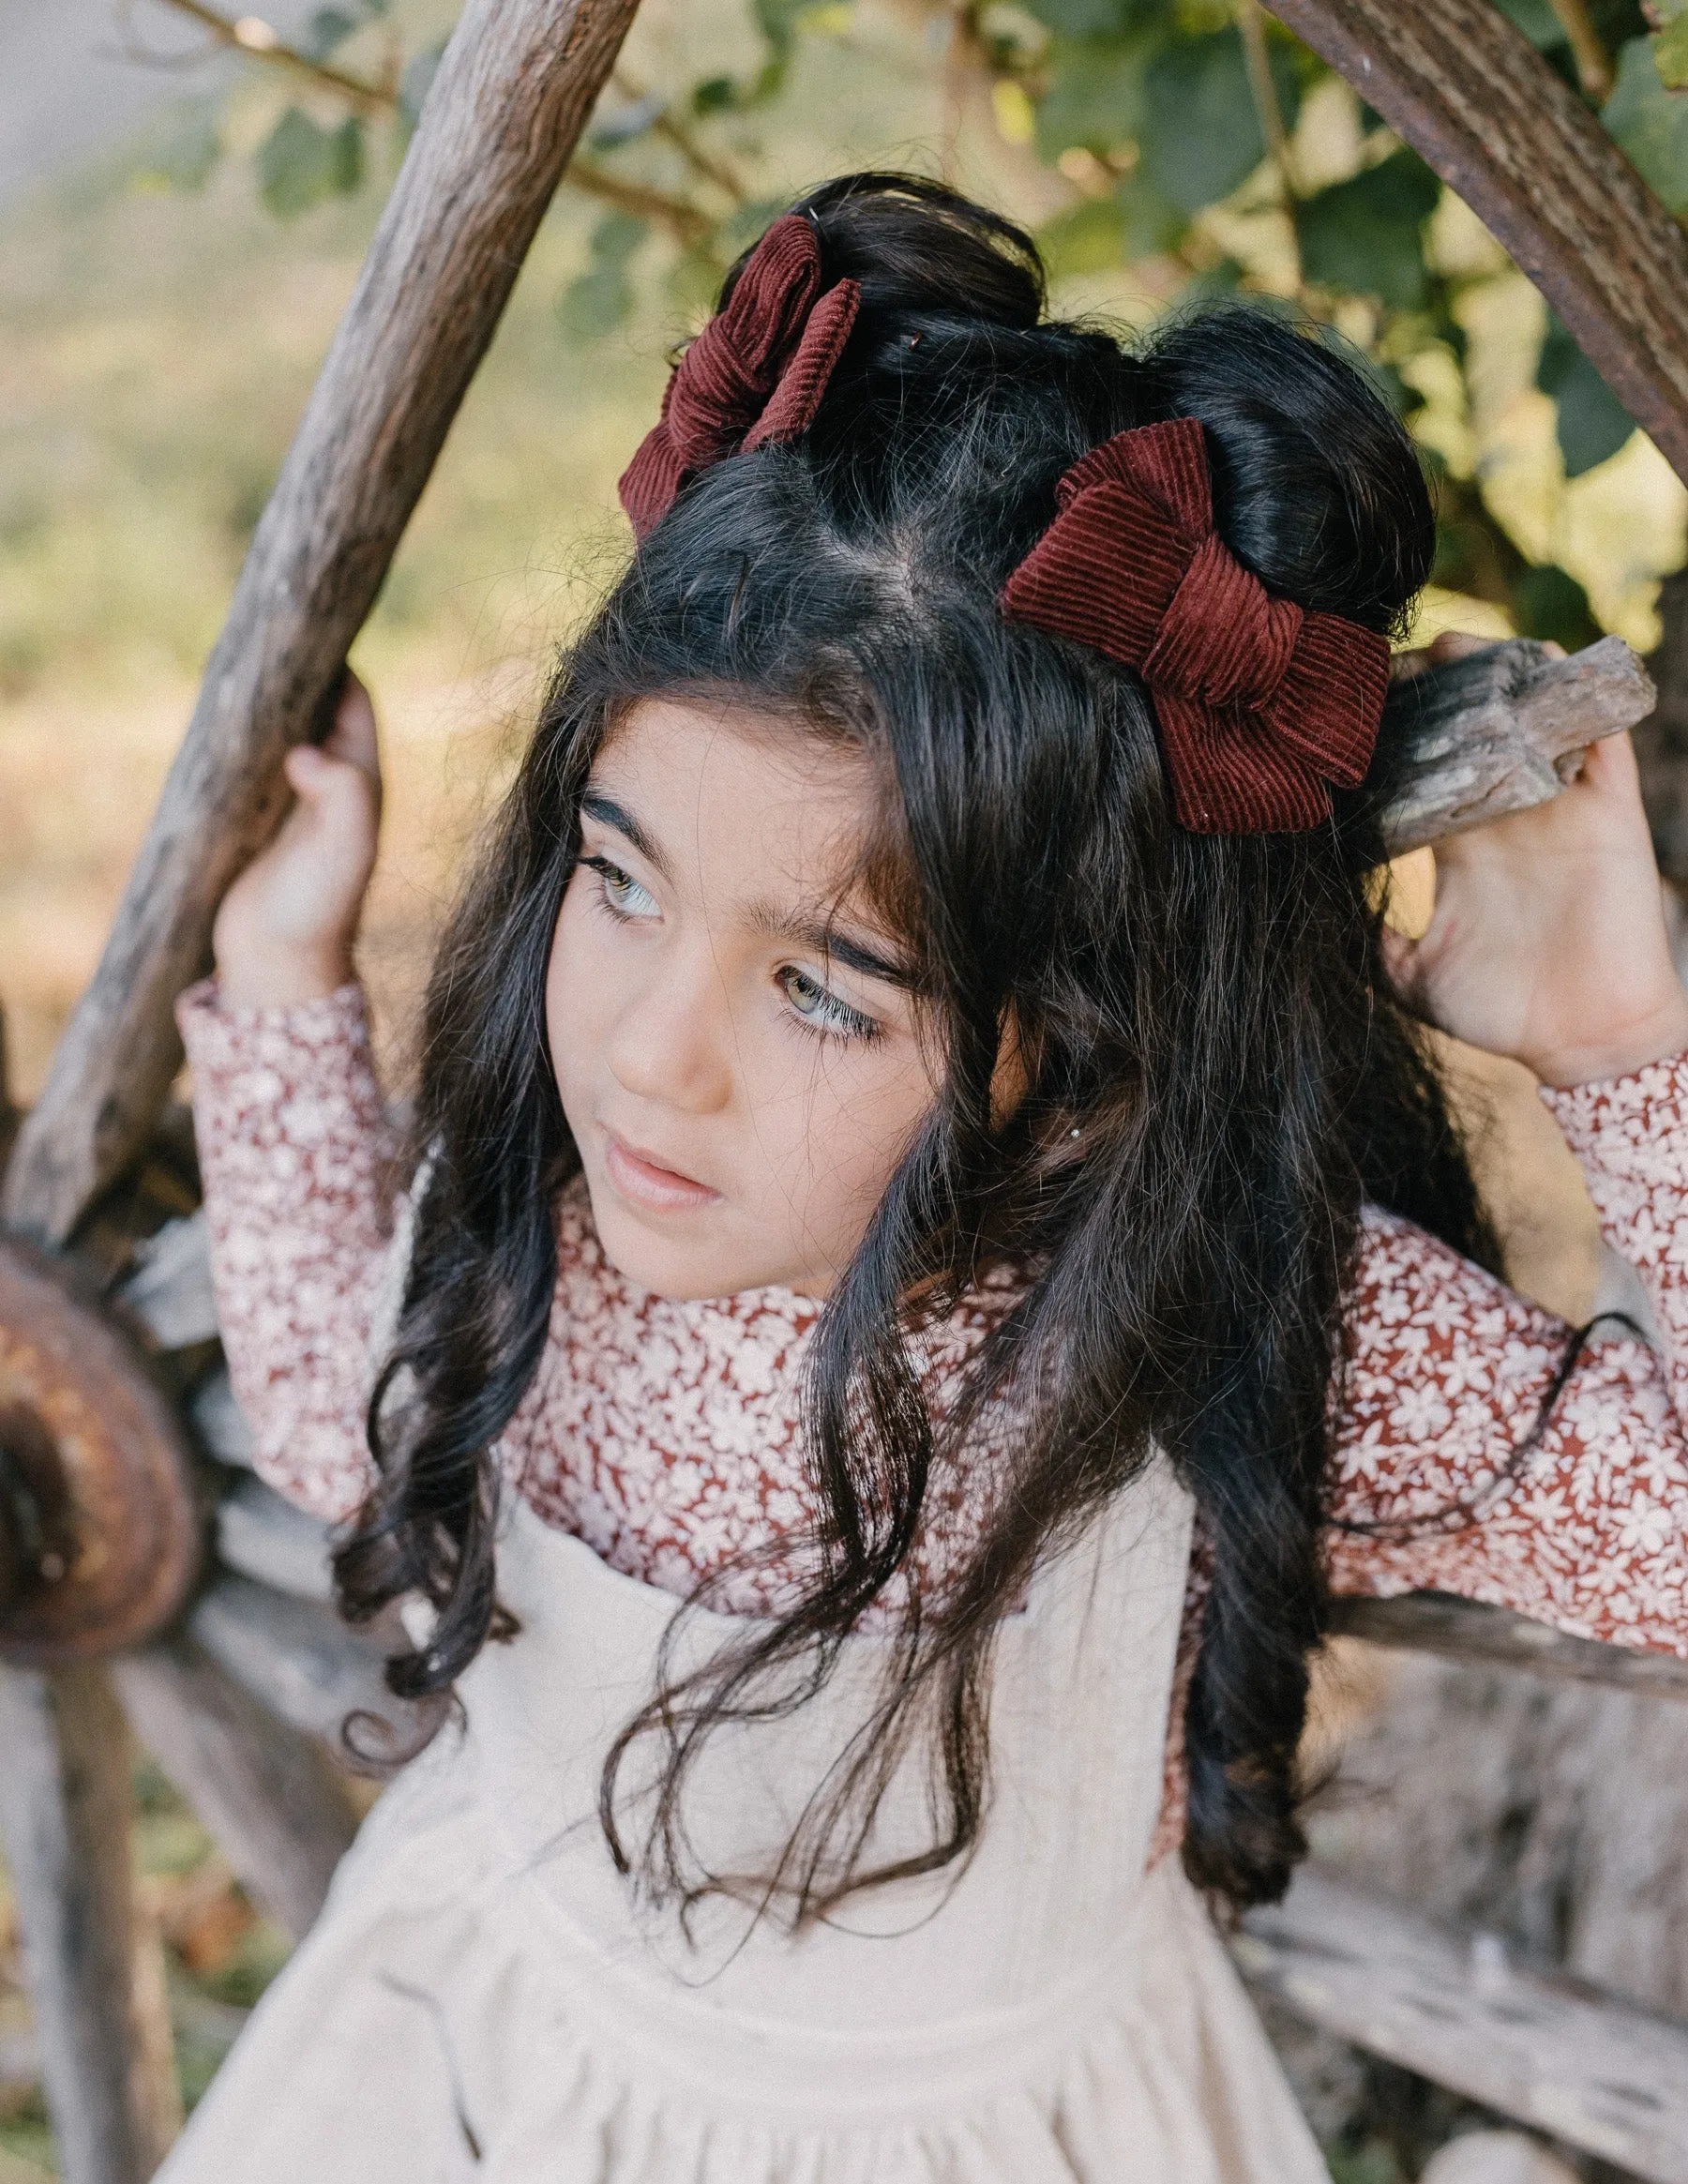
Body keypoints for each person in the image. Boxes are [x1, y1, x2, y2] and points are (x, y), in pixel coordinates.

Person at [158, 174, 1688, 2182]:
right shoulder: (557, 1209)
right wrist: (279, 987)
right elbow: (352, 1434)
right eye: (619, 880)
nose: (644, 1048)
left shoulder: (1210, 1318)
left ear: (1092, 1049)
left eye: (819, 987)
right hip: (491, 2075)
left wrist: (1619, 1051)